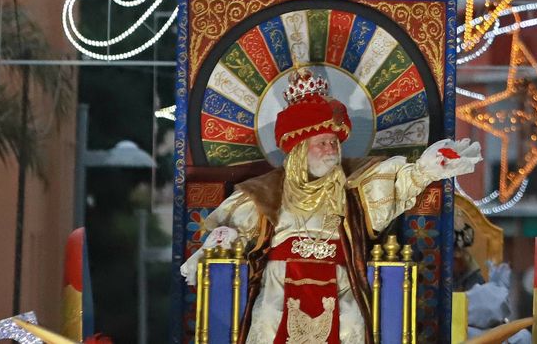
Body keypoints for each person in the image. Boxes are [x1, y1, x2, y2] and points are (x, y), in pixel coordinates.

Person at [180, 68, 481, 344]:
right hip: (279, 286)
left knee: (350, 325)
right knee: (270, 320)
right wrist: (215, 245)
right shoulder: (266, 191)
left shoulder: (353, 188)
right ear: (299, 150)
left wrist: (427, 168)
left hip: (340, 286)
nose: (331, 149)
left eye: (334, 142)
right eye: (321, 142)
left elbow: (398, 184)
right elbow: (231, 232)